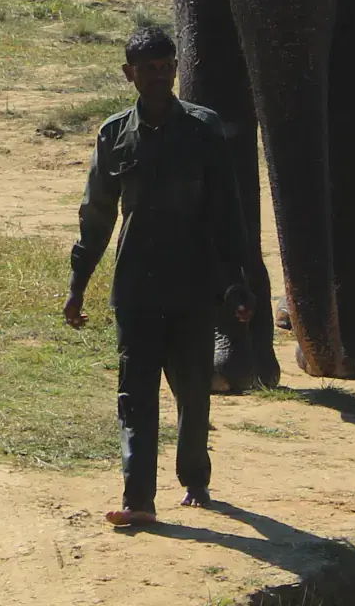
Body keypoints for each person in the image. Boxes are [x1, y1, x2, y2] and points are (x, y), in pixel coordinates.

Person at [64, 26, 250, 528]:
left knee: (192, 391)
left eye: (167, 66)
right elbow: (96, 215)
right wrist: (78, 284)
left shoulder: (204, 129)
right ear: (130, 75)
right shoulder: (114, 134)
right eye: (149, 68)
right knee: (135, 395)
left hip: (191, 287)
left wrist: (235, 283)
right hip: (136, 290)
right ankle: (138, 499)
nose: (160, 75)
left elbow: (226, 215)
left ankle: (194, 478)